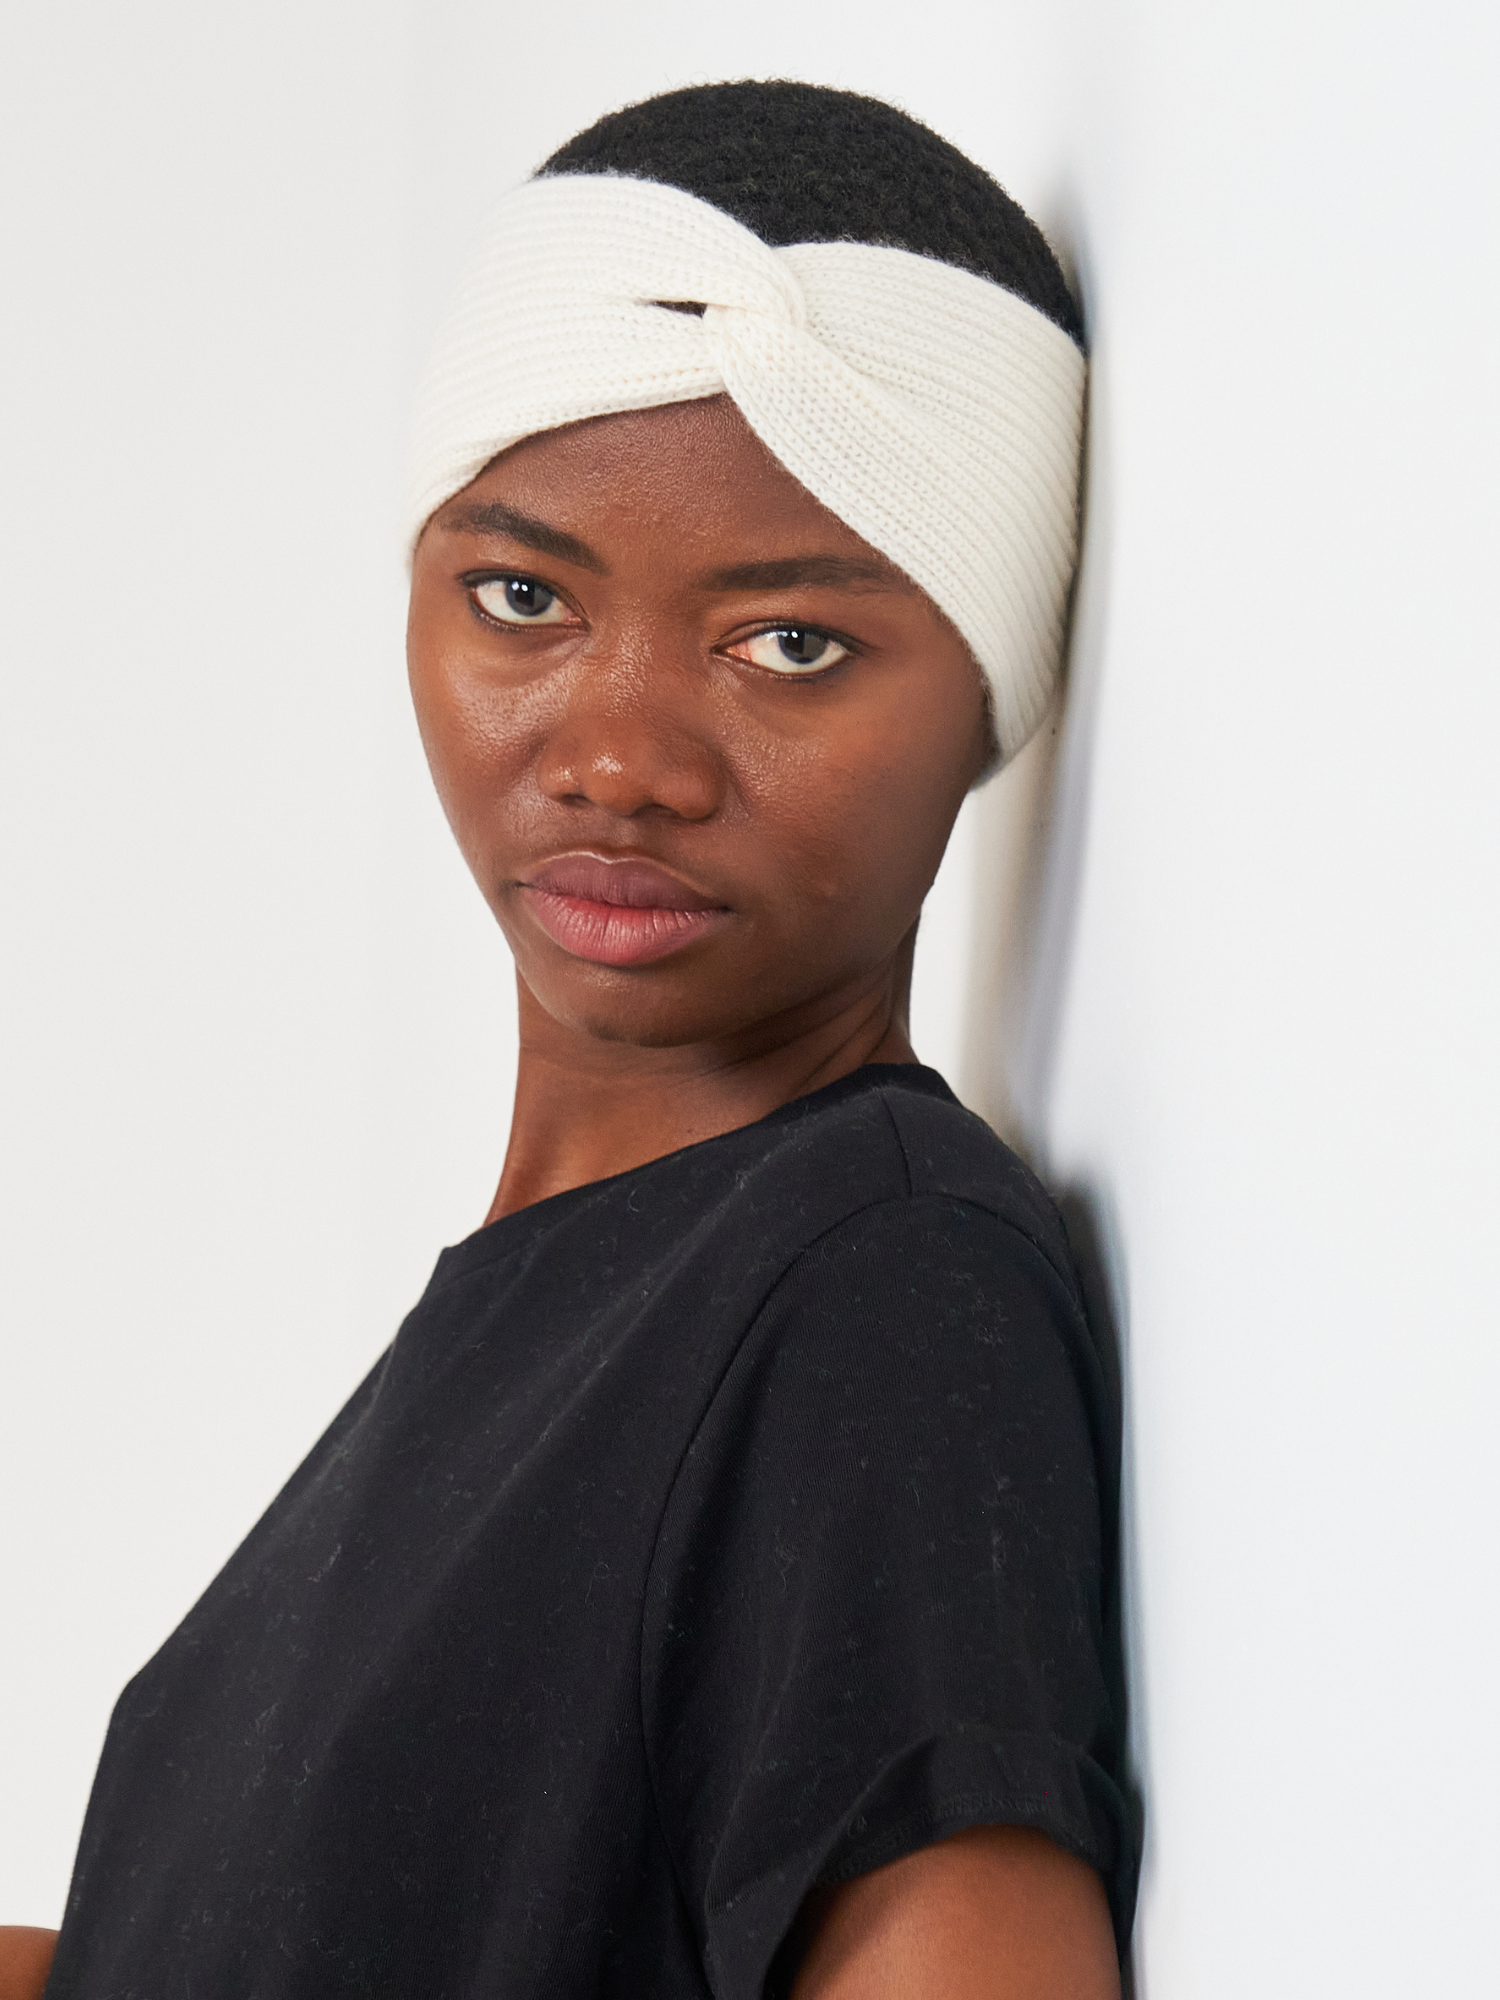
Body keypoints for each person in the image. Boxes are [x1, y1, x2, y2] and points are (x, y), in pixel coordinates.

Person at [5, 80, 1136, 2000]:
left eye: (788, 643)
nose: (617, 760)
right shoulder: (556, 1312)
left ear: (989, 691)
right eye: (522, 598)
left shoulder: (874, 1297)